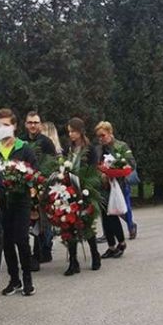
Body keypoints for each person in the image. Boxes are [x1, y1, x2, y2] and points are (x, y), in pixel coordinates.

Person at [0, 108, 38, 296]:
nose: (3, 129)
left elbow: (34, 174)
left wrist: (23, 181)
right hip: (1, 202)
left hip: (21, 200)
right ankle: (14, 279)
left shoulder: (24, 148)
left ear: (14, 126)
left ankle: (27, 278)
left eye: (6, 125)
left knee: (21, 239)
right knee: (6, 241)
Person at [64, 117, 103, 273]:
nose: (71, 135)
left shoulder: (90, 149)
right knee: (68, 223)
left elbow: (94, 170)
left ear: (80, 131)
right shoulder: (70, 148)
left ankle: (95, 254)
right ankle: (73, 261)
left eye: (73, 131)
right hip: (70, 189)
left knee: (85, 222)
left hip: (85, 188)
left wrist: (86, 185)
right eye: (69, 132)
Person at [96, 121, 136, 256]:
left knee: (113, 215)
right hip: (103, 187)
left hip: (117, 185)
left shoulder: (120, 146)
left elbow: (131, 164)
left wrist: (115, 170)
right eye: (98, 136)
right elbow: (96, 164)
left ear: (110, 133)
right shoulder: (99, 149)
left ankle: (121, 243)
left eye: (103, 135)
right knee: (105, 217)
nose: (101, 139)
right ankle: (111, 245)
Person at [22, 111, 56, 269]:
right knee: (26, 222)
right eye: (30, 122)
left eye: (35, 122)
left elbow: (52, 164)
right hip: (24, 185)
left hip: (41, 185)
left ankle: (40, 252)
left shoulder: (46, 142)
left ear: (40, 124)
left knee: (40, 221)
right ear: (25, 124)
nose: (33, 125)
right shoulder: (21, 142)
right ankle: (29, 254)